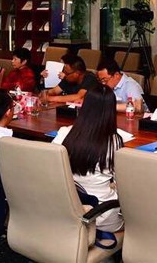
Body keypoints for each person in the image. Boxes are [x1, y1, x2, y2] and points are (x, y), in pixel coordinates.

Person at [52, 85, 124, 234]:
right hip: (100, 215)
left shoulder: (65, 133)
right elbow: (123, 183)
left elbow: (50, 165)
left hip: (68, 210)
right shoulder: (114, 142)